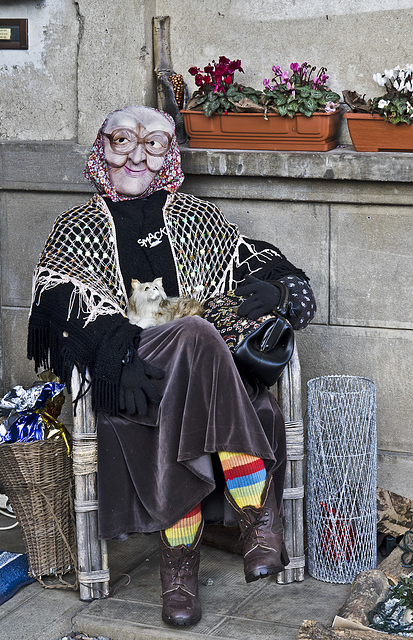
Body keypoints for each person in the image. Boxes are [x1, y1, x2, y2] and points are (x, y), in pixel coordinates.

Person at [27, 105, 316, 627]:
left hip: (194, 386)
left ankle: (177, 572)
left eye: (153, 144)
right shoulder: (75, 227)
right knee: (196, 330)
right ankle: (257, 516)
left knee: (196, 346)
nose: (137, 155)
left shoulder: (194, 217)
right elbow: (57, 307)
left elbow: (251, 256)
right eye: (122, 142)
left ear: (168, 157)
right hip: (135, 373)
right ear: (102, 151)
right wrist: (118, 351)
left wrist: (279, 287)